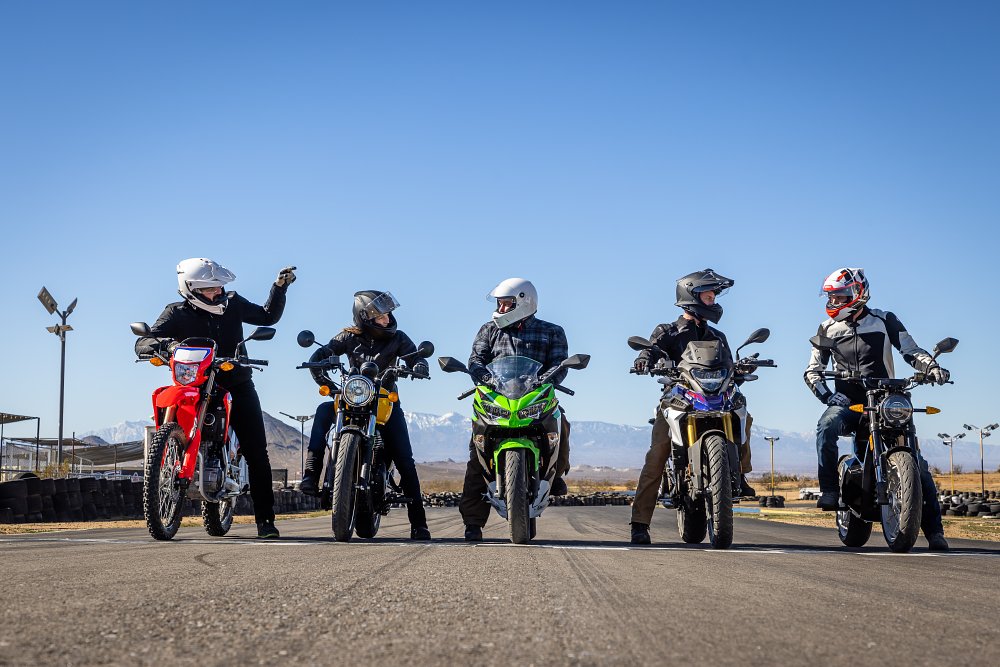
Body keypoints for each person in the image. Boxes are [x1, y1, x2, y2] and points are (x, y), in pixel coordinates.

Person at [136, 258, 295, 538]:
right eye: (211, 287)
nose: (218, 291)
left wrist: (279, 288)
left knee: (257, 452)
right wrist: (166, 345)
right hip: (195, 386)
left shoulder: (232, 303)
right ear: (191, 289)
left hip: (236, 383)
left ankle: (265, 522)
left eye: (219, 285)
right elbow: (144, 341)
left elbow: (266, 316)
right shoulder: (176, 313)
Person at [804, 267, 951, 551]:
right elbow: (813, 371)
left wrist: (931, 367)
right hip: (848, 403)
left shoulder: (884, 320)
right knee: (826, 425)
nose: (834, 303)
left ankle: (935, 532)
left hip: (887, 400)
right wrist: (828, 397)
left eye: (840, 297)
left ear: (858, 294)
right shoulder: (826, 329)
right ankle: (830, 490)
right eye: (831, 298)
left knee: (918, 464)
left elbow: (911, 350)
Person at [628, 268, 756, 545]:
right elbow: (650, 349)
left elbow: (727, 367)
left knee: (744, 415)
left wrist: (741, 368)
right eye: (709, 296)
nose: (713, 302)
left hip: (714, 397)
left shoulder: (718, 337)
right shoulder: (668, 331)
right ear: (692, 296)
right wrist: (644, 359)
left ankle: (741, 475)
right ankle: (639, 524)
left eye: (713, 297)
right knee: (658, 454)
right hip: (678, 400)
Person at [299, 290, 432, 541]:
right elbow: (323, 352)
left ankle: (419, 523)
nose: (387, 319)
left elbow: (414, 356)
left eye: (388, 314)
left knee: (405, 459)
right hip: (352, 397)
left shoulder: (399, 338)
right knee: (322, 410)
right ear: (364, 317)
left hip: (384, 403)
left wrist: (419, 365)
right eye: (380, 315)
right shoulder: (348, 336)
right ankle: (311, 475)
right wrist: (320, 367)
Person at [459, 278, 571, 542]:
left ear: (523, 301)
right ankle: (473, 523)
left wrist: (548, 380)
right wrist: (481, 376)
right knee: (477, 454)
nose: (501, 307)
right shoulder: (489, 330)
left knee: (562, 425)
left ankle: (555, 475)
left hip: (534, 396)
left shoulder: (552, 331)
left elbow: (560, 362)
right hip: (497, 399)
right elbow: (476, 359)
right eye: (499, 302)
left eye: (506, 303)